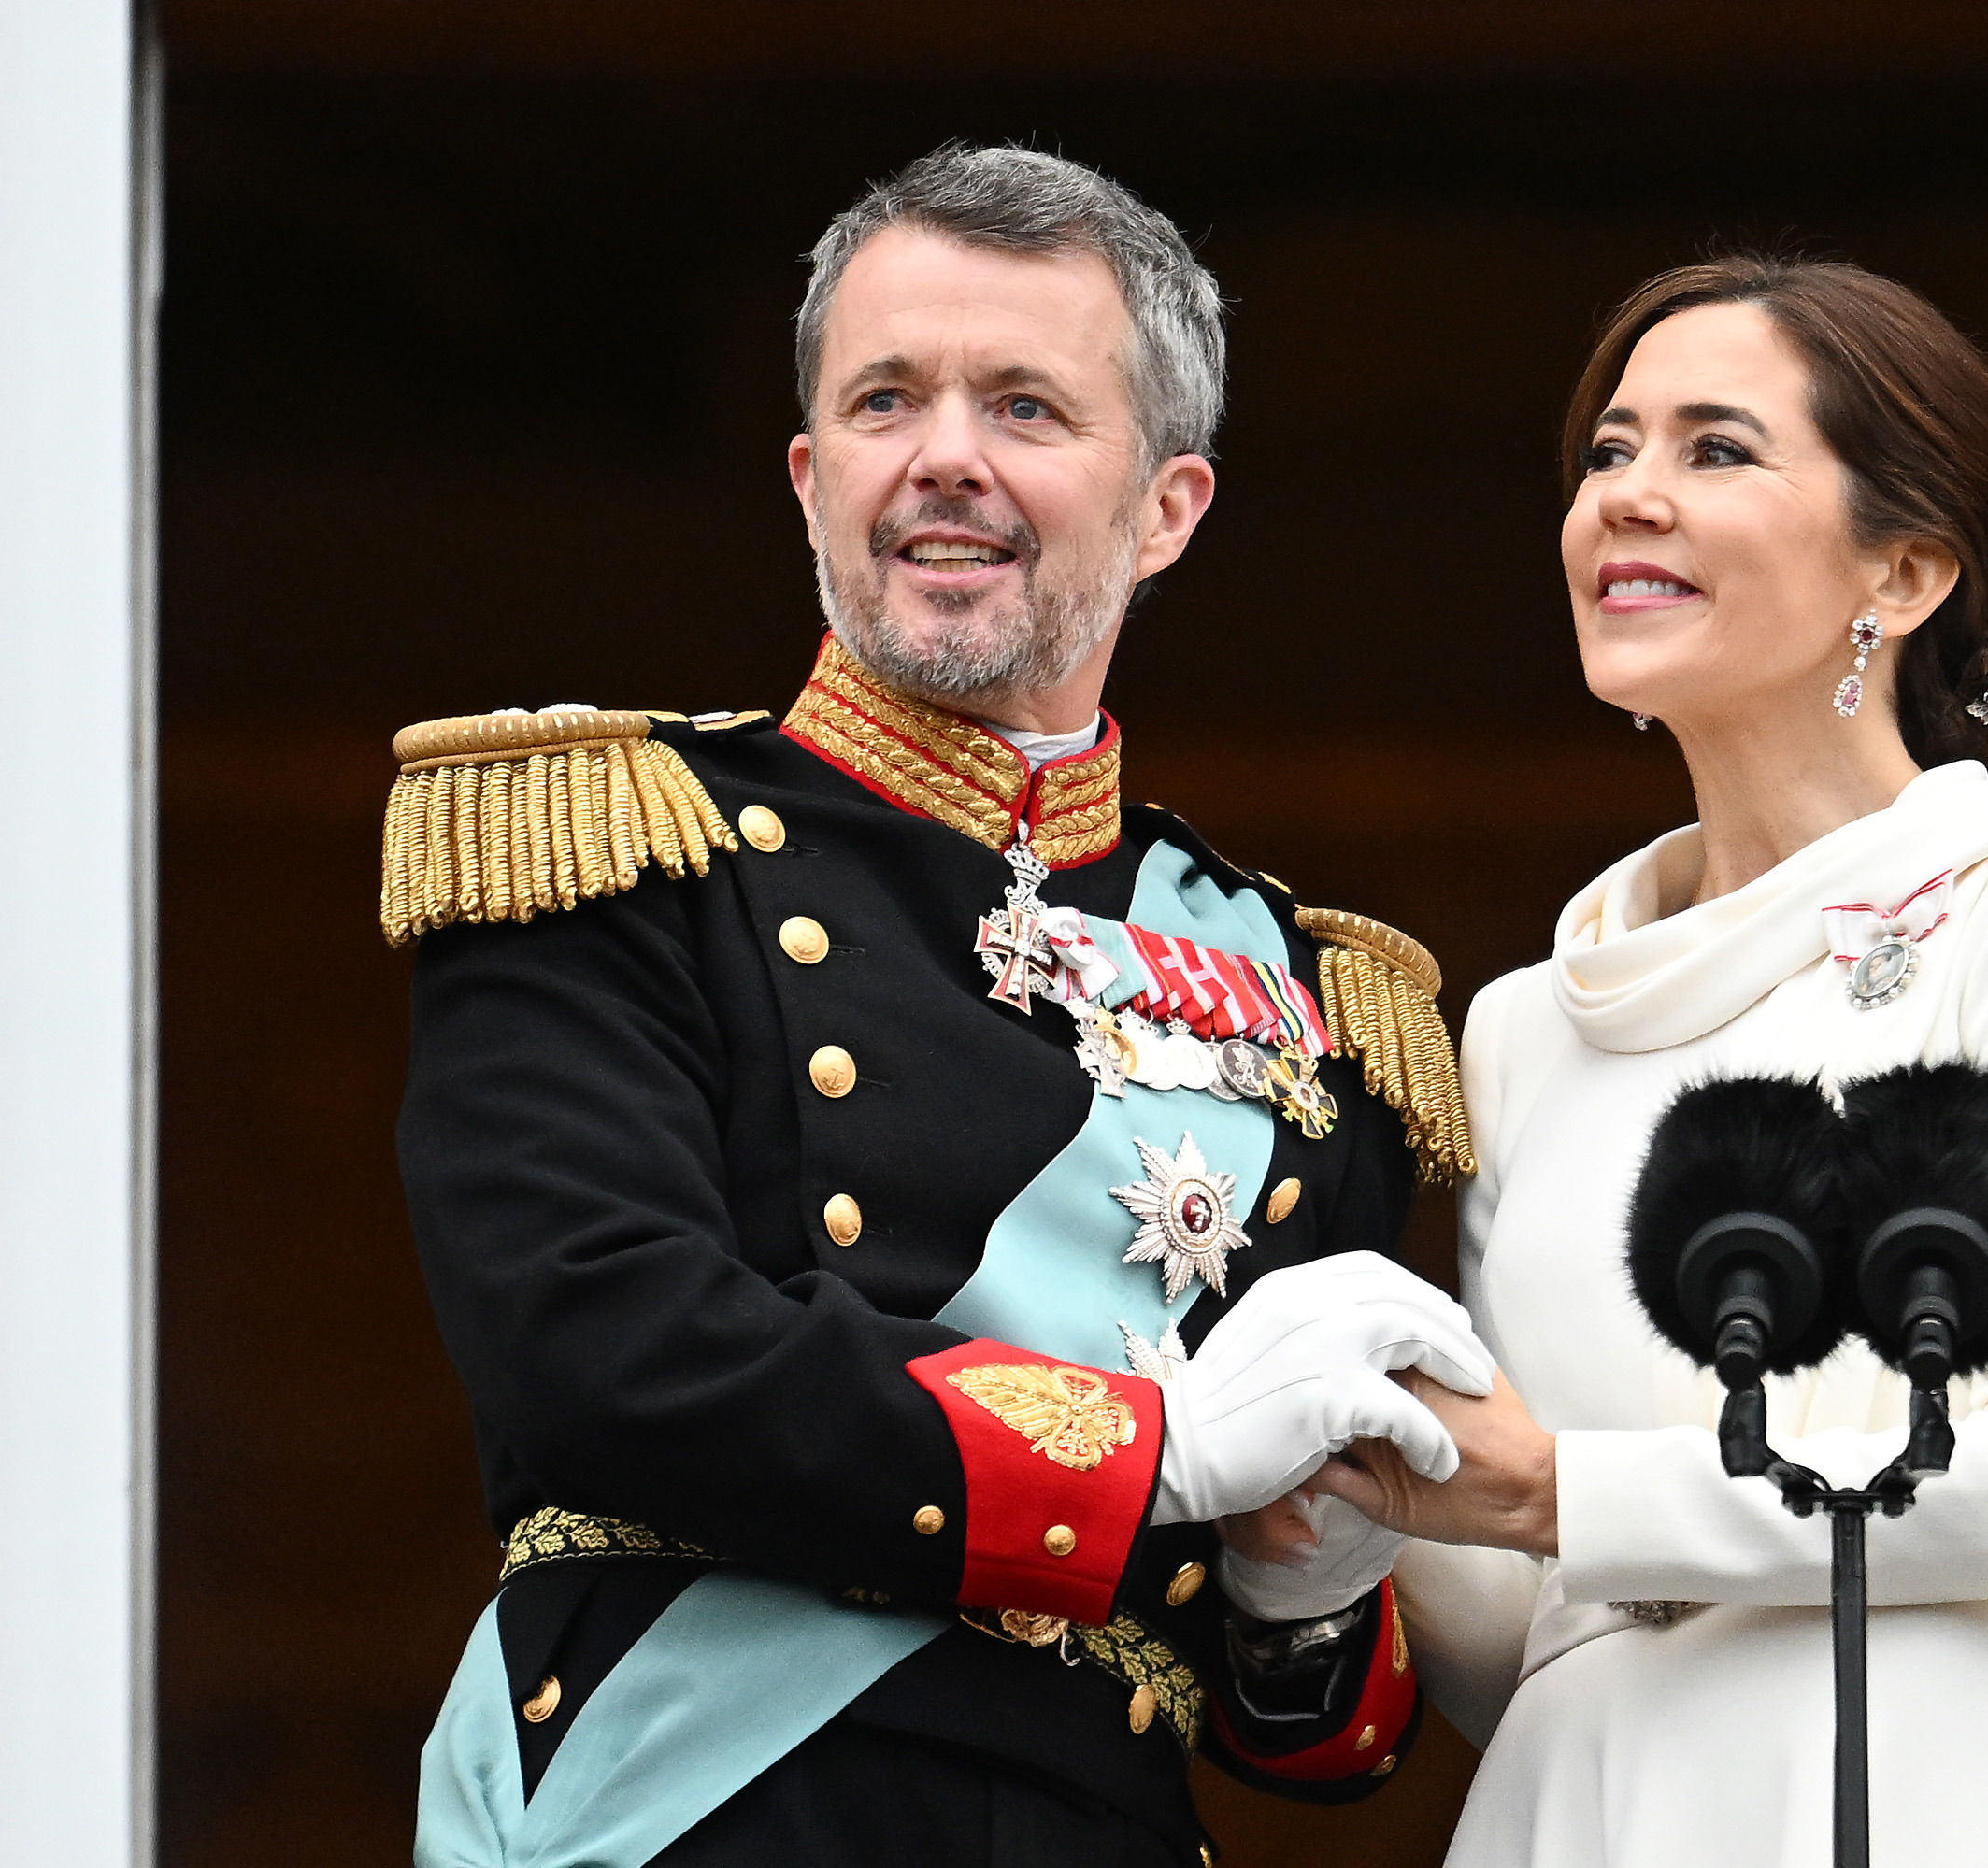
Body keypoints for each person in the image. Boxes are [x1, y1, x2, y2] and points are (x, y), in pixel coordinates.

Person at [388, 145, 1487, 1868]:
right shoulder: (619, 850)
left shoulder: (1312, 996)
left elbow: (1312, 1738)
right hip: (699, 1820)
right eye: (889, 400)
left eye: (1027, 408)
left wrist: (1301, 1597)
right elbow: (592, 1345)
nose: (946, 457)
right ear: (815, 477)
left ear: (1168, 507)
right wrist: (1155, 1450)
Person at [1304, 256, 1988, 1866]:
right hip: (1574, 1810)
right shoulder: (1528, 1020)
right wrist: (1343, 1500)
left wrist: (1562, 1492)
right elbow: (1535, 1629)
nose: (1630, 497)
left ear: (1901, 568)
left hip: (1898, 1789)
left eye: (1715, 449)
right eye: (1609, 453)